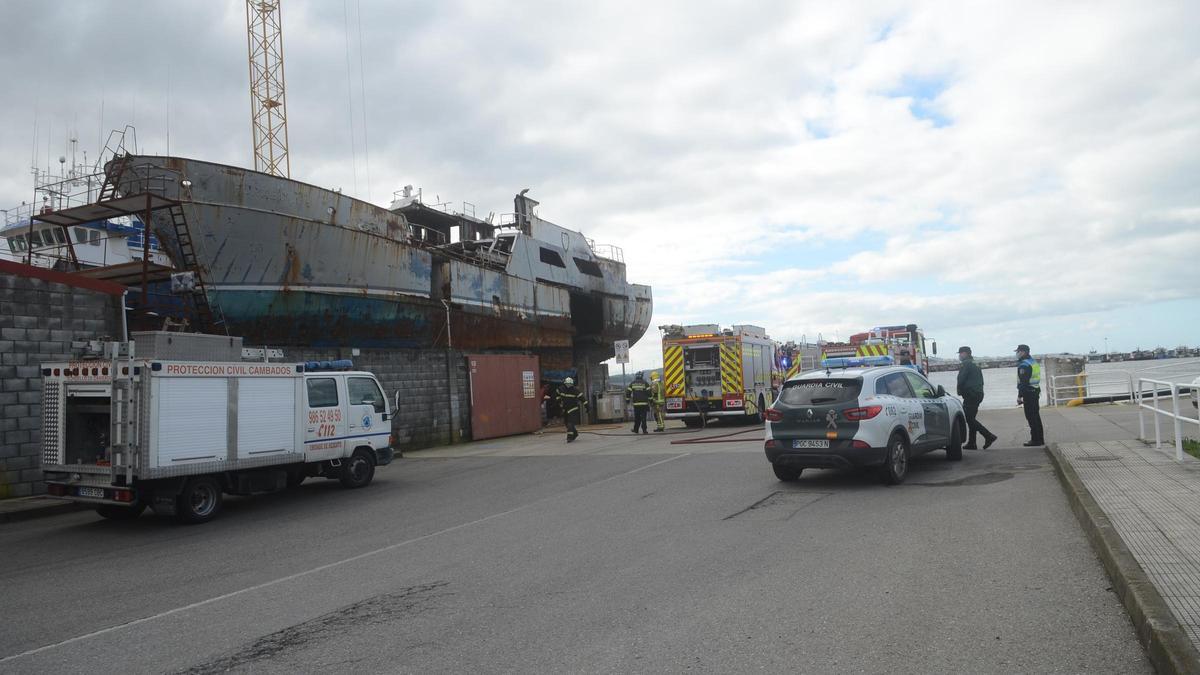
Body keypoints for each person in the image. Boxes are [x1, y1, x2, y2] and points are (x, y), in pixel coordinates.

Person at [956, 346, 997, 450]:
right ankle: (972, 443)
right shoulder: (975, 363)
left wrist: (959, 391)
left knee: (968, 418)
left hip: (971, 394)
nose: (959, 356)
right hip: (978, 393)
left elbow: (961, 379)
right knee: (971, 419)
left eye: (960, 353)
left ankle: (988, 435)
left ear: (965, 353)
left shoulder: (966, 364)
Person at [1015, 344, 1044, 447]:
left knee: (1031, 417)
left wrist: (1019, 396)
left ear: (1023, 352)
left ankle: (1035, 440)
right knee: (1036, 416)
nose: (1016, 354)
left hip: (1028, 393)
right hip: (1035, 391)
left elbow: (1024, 382)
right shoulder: (1033, 362)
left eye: (1017, 352)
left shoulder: (1024, 365)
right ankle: (1040, 439)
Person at [557, 377, 586, 442]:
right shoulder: (561, 389)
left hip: (573, 408)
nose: (568, 385)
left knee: (570, 423)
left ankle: (569, 437)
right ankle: (575, 433)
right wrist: (559, 401)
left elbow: (582, 398)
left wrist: (587, 406)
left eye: (570, 384)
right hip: (566, 409)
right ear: (565, 383)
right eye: (567, 384)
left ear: (572, 384)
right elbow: (557, 394)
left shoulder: (575, 390)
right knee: (567, 423)